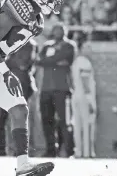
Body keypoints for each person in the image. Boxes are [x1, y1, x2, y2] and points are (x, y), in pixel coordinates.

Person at [0, 0, 62, 175]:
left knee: (19, 108)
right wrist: (6, 72)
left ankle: (23, 164)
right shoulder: (18, 8)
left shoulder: (36, 20)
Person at [36, 24, 76, 157]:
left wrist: (49, 60)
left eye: (61, 29)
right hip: (46, 88)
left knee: (65, 120)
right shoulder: (47, 45)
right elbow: (38, 60)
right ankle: (50, 149)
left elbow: (65, 59)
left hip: (62, 88)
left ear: (65, 31)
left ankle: (68, 150)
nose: (58, 31)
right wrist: (55, 61)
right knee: (47, 119)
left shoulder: (69, 45)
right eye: (55, 29)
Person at [0, 40, 38, 156]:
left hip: (20, 84)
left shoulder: (29, 44)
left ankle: (21, 151)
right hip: (4, 83)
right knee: (0, 118)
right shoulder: (6, 42)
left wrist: (4, 62)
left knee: (19, 117)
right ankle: (1, 149)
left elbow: (22, 64)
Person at [71, 36, 96, 158]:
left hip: (76, 94)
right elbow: (85, 81)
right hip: (85, 97)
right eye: (87, 47)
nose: (90, 49)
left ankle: (79, 151)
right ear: (81, 49)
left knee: (77, 125)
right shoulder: (85, 62)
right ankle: (87, 152)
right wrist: (90, 99)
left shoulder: (76, 62)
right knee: (87, 125)